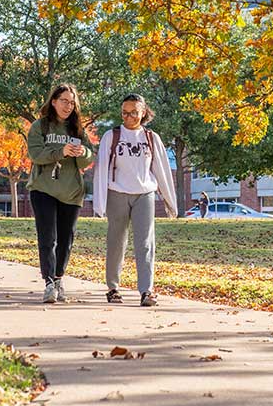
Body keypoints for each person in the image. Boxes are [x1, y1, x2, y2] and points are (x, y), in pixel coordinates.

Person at [93, 93, 177, 307]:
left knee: (146, 243)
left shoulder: (151, 138)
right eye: (124, 112)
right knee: (116, 242)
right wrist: (100, 203)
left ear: (143, 113)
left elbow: (162, 170)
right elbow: (101, 169)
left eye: (133, 113)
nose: (128, 116)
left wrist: (170, 201)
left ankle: (146, 291)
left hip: (144, 194)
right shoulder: (111, 136)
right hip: (117, 193)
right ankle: (113, 288)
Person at [26, 84, 94, 304]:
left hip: (71, 192)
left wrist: (82, 152)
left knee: (66, 240)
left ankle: (58, 279)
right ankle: (48, 283)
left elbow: (88, 159)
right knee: (48, 238)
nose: (68, 106)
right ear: (53, 101)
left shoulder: (77, 130)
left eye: (72, 102)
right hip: (43, 189)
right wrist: (60, 151)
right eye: (64, 101)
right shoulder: (40, 126)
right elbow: (36, 154)